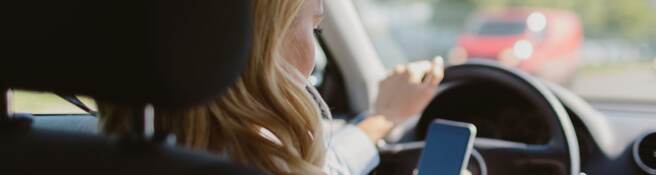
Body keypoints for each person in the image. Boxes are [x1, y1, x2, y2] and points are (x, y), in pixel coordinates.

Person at [97, 0, 444, 174]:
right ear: (257, 42)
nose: (312, 55)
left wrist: (381, 119)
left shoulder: (72, 154)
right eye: (315, 29)